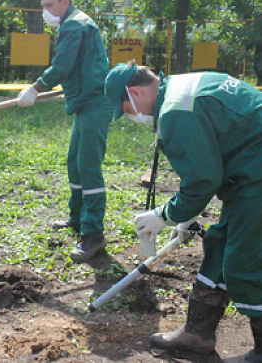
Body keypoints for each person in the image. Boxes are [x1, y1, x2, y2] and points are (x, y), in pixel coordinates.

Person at [105, 62, 262, 362]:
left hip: (256, 175)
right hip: (249, 172)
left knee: (246, 261)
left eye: (126, 109)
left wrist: (165, 215)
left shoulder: (176, 111)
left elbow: (203, 180)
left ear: (135, 92)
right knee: (219, 245)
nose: (130, 117)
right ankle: (197, 334)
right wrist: (185, 213)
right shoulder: (179, 86)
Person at [17, 0, 113, 262]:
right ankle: (77, 220)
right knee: (74, 162)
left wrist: (36, 87)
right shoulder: (75, 22)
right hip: (85, 101)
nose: (46, 12)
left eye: (49, 6)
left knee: (88, 166)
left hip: (96, 103)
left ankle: (93, 234)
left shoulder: (74, 24)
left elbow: (63, 64)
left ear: (63, 1)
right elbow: (76, 66)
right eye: (43, 7)